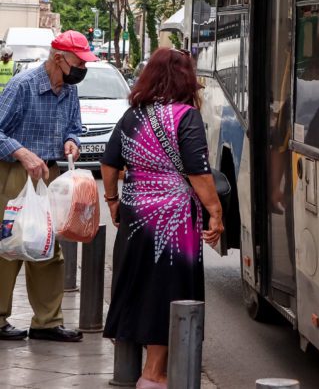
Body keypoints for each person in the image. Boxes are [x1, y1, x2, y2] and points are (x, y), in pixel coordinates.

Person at [101, 48, 223, 389]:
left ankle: (137, 369)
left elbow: (109, 163)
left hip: (135, 215)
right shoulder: (187, 116)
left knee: (136, 285)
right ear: (186, 78)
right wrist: (215, 212)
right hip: (174, 222)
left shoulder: (133, 115)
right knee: (169, 292)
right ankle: (154, 373)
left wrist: (113, 201)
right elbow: (197, 171)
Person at [0, 30, 93, 343]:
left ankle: (47, 323)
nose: (83, 69)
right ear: (59, 58)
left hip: (50, 175)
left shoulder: (69, 90)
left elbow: (75, 127)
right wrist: (22, 152)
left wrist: (72, 141)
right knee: (8, 245)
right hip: (15, 173)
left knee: (49, 248)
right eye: (79, 63)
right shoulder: (22, 86)